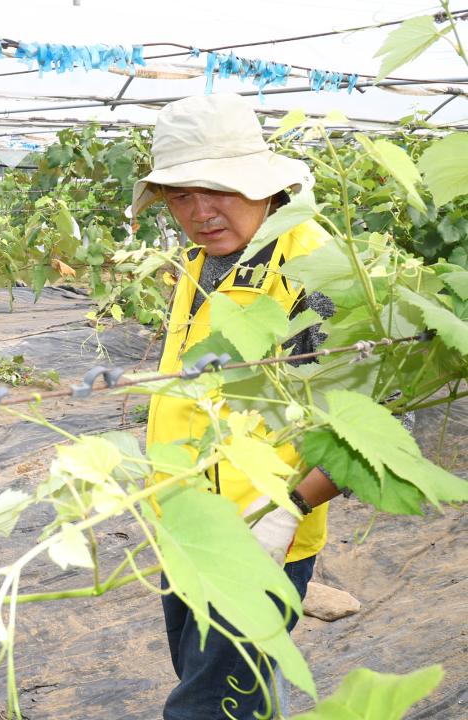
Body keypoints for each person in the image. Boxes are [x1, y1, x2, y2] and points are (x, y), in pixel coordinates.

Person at [133, 93, 342, 719]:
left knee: (205, 705)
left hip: (256, 538)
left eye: (217, 188)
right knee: (228, 690)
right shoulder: (199, 264)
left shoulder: (317, 268)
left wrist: (286, 514)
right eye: (180, 195)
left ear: (260, 182)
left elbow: (378, 417)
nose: (200, 212)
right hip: (184, 527)